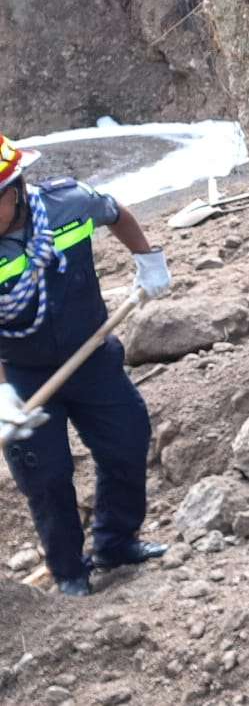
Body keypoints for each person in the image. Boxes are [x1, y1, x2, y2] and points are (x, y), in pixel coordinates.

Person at [0, 133, 172, 597]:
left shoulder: (68, 204)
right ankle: (69, 572)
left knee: (127, 441)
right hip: (21, 373)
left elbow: (115, 213)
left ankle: (116, 543)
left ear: (15, 191)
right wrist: (3, 393)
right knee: (46, 475)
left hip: (91, 353)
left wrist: (148, 261)